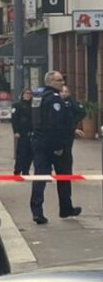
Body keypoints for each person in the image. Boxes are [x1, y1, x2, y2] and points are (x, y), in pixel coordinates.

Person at [30, 71, 81, 224]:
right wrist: (58, 147)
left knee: (40, 177)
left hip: (39, 142)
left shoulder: (38, 97)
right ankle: (65, 209)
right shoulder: (54, 99)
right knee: (64, 176)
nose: (62, 83)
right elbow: (56, 125)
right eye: (59, 80)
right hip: (54, 144)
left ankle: (37, 211)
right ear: (51, 82)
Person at [11, 88, 33, 175]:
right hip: (22, 133)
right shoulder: (17, 105)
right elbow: (14, 119)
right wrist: (16, 131)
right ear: (22, 94)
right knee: (21, 153)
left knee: (30, 153)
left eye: (30, 93)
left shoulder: (33, 106)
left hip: (31, 133)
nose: (28, 95)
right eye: (26, 93)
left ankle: (26, 171)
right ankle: (17, 171)